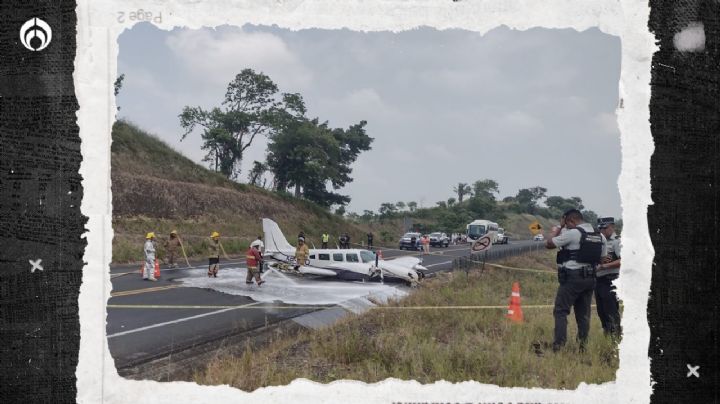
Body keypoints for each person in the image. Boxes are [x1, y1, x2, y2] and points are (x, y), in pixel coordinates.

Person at [545, 209, 606, 352]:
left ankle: (559, 346)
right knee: (583, 314)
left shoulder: (573, 233)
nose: (566, 227)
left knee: (561, 311)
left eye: (567, 223)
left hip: (572, 278)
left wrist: (559, 227)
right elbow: (602, 259)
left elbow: (548, 244)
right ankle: (582, 347)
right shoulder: (600, 236)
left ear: (571, 220)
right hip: (590, 278)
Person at [595, 217, 622, 338]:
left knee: (611, 310)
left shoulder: (617, 241)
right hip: (598, 280)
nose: (602, 230)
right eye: (600, 228)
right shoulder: (599, 241)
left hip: (611, 279)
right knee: (601, 311)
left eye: (605, 228)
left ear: (612, 227)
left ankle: (615, 336)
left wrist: (605, 266)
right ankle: (607, 335)